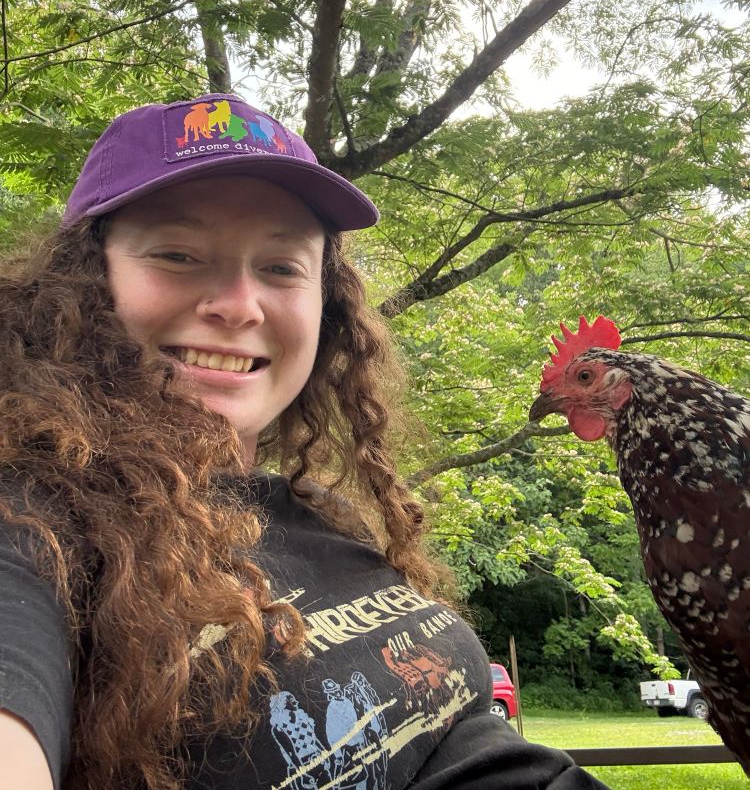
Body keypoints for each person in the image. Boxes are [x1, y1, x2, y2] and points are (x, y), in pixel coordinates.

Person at [0, 94, 610, 790]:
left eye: (282, 266)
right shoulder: (35, 524)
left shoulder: (314, 509)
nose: (238, 303)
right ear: (79, 285)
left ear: (329, 305)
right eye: (176, 253)